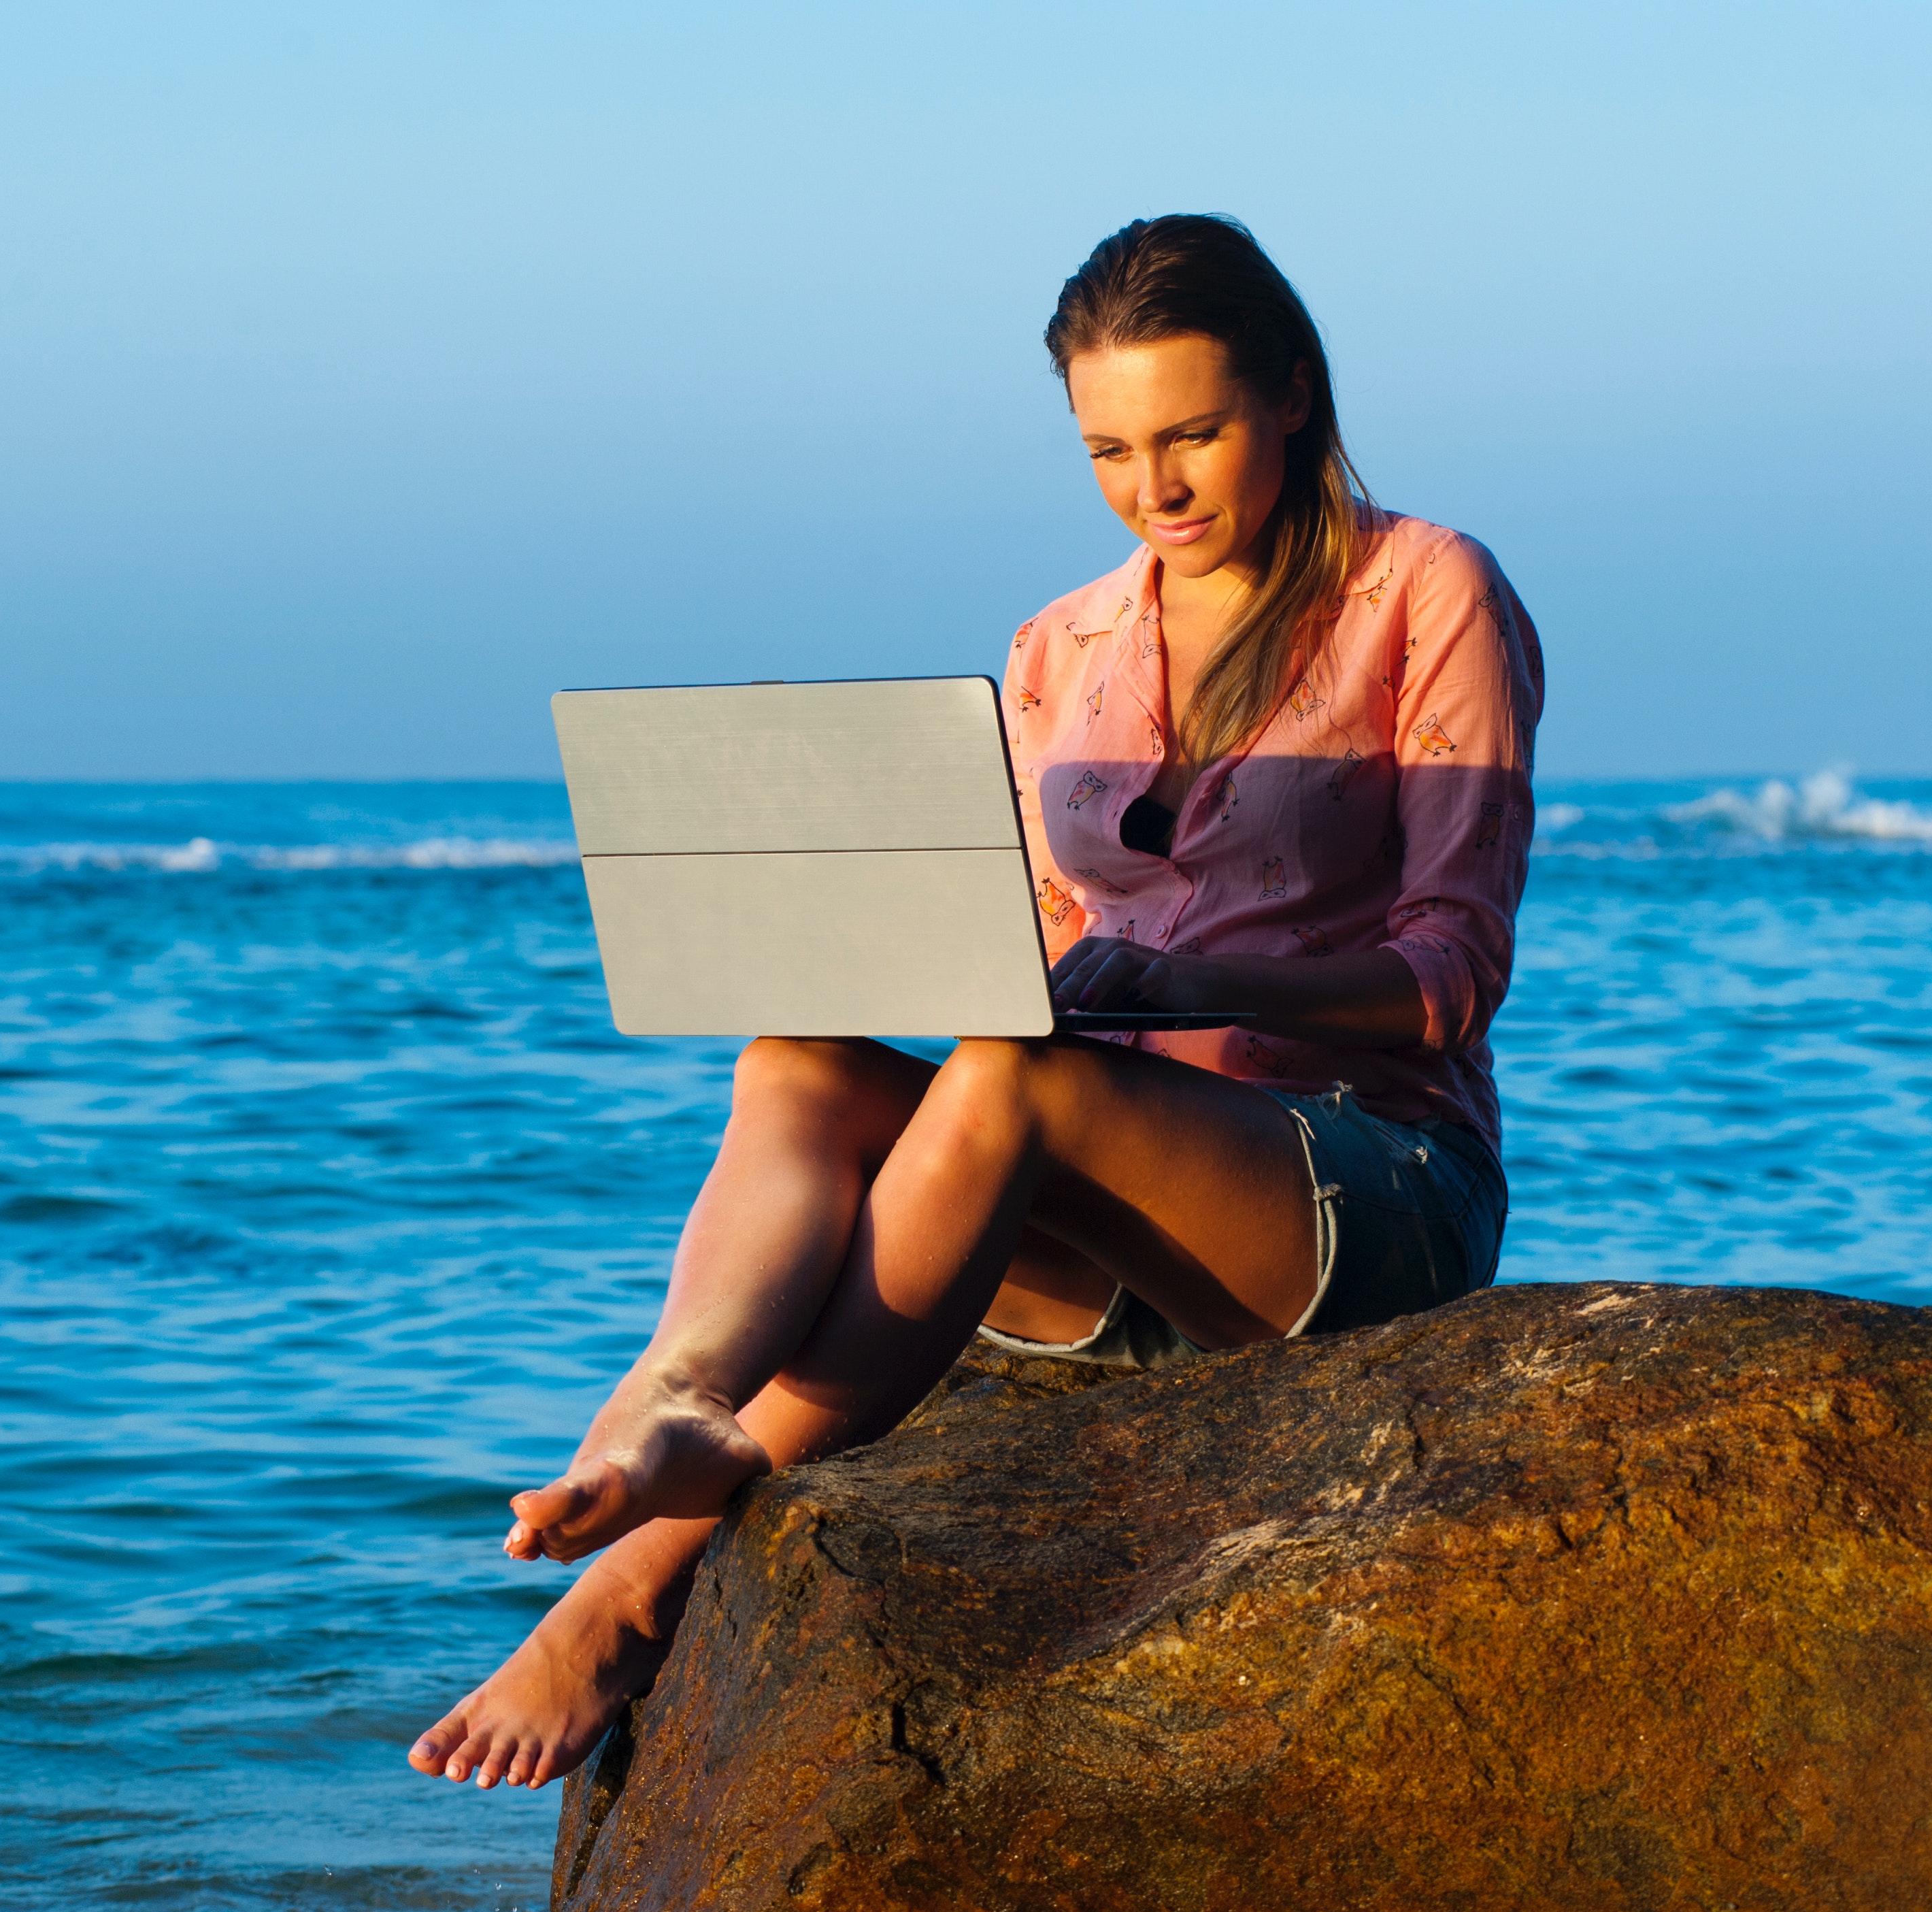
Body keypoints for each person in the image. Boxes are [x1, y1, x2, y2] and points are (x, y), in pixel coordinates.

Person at [410, 214, 1543, 1792]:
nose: (1155, 490)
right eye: (1108, 450)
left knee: (1011, 1084)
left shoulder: (1425, 590)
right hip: (1093, 1222)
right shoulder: (1057, 644)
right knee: (799, 1057)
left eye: (1194, 435)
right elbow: (1028, 942)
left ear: (1293, 390)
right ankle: (673, 1389)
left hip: (1354, 1187)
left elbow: (1451, 978)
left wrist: (1196, 980)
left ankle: (633, 1588)